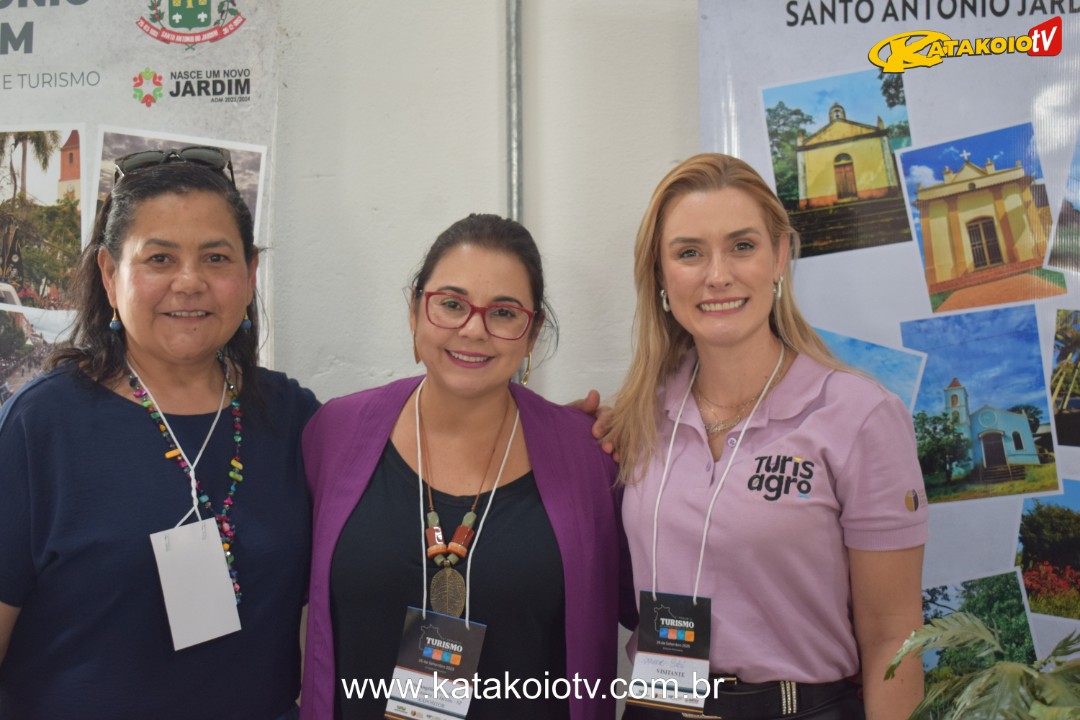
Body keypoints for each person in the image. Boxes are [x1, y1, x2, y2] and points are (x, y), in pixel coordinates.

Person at [608, 153, 928, 720]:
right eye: (689, 253)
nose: (717, 275)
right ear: (660, 273)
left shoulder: (861, 416)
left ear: (779, 256)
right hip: (655, 704)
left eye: (742, 246)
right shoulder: (641, 413)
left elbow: (892, 638)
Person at [0, 151, 317, 720]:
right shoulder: (40, 425)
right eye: (159, 258)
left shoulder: (294, 420)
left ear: (249, 275)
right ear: (109, 274)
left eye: (216, 258)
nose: (189, 282)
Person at [300, 213, 632, 720]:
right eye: (452, 304)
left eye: (504, 312)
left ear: (532, 333)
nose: (473, 329)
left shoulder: (589, 459)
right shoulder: (334, 435)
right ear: (415, 310)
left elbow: (649, 601)